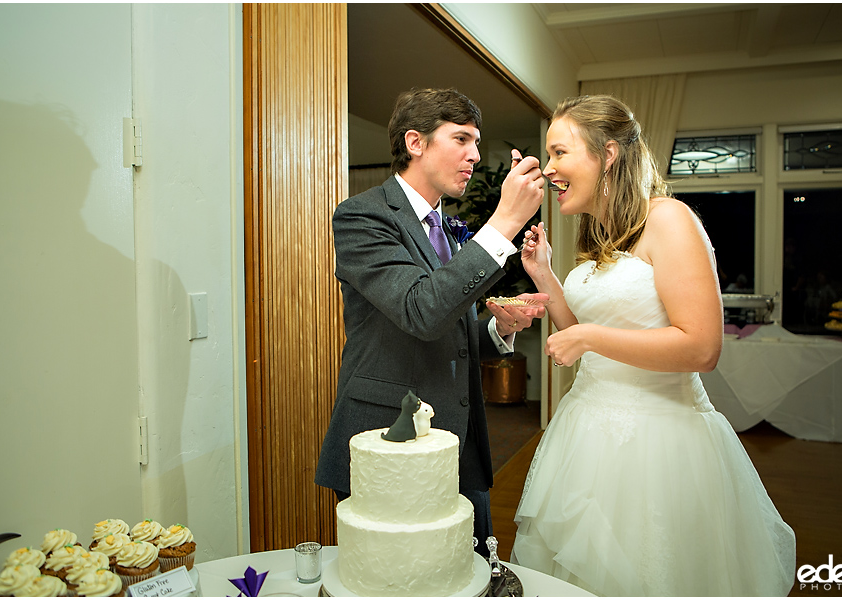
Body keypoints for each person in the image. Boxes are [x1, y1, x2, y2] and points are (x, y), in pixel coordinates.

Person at [510, 95, 796, 595]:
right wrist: (544, 276)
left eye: (560, 153)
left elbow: (701, 347)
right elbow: (583, 328)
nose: (550, 168)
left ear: (609, 154)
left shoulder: (668, 219)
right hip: (586, 434)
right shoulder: (604, 233)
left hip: (657, 444)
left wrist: (588, 336)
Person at [315, 88, 547, 556]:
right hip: (390, 440)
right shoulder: (362, 216)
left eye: (477, 142)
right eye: (461, 139)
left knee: (470, 567)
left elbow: (449, 331)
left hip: (460, 443)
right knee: (399, 575)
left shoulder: (449, 226)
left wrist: (497, 329)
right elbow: (420, 311)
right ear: (416, 142)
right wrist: (503, 223)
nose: (476, 156)